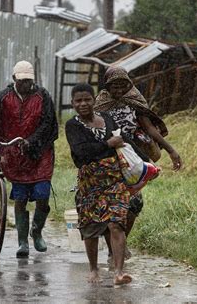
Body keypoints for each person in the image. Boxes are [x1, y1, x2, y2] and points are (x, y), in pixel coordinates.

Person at [0, 60, 58, 258]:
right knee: (20, 197)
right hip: (13, 154)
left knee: (42, 195)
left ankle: (36, 231)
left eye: (29, 80)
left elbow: (49, 124)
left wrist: (31, 141)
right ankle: (22, 241)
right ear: (14, 78)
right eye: (22, 80)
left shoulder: (43, 96)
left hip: (39, 153)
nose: (26, 84)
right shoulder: (2, 97)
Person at [94, 66, 183, 258]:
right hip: (106, 159)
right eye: (114, 87)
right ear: (107, 86)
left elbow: (150, 128)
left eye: (122, 86)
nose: (118, 91)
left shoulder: (134, 101)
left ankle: (119, 243)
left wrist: (171, 150)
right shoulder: (100, 103)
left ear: (128, 85)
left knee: (133, 204)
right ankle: (114, 248)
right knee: (109, 204)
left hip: (132, 159)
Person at [65, 83, 148, 285]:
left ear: (94, 100)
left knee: (116, 223)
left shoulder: (107, 119)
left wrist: (147, 163)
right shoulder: (72, 126)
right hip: (90, 183)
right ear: (72, 103)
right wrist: (108, 145)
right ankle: (93, 269)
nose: (83, 104)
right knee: (91, 227)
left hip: (114, 180)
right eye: (78, 100)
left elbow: (125, 141)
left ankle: (119, 272)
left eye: (87, 99)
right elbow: (81, 153)